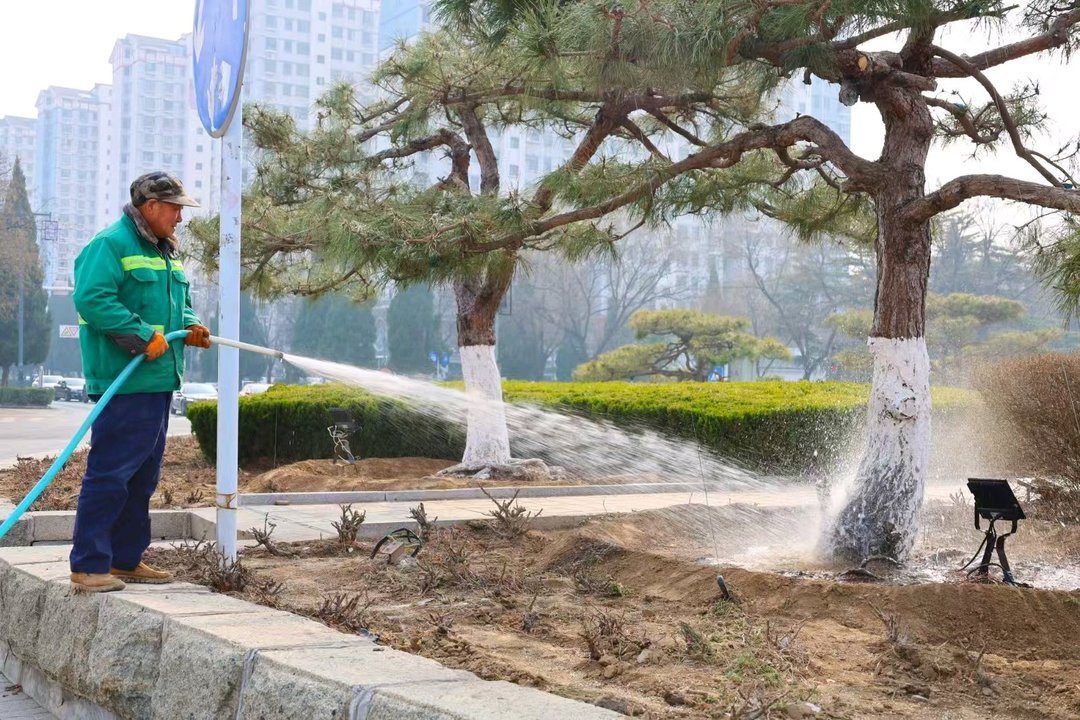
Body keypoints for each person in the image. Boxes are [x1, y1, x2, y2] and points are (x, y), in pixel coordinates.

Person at [69, 172, 212, 593]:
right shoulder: (111, 244)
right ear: (151, 207)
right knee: (111, 474)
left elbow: (178, 304)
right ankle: (89, 565)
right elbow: (92, 299)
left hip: (157, 380)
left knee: (142, 477)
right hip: (124, 380)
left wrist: (191, 324)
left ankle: (124, 558)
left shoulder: (165, 251)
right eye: (175, 209)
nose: (180, 217)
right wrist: (140, 334)